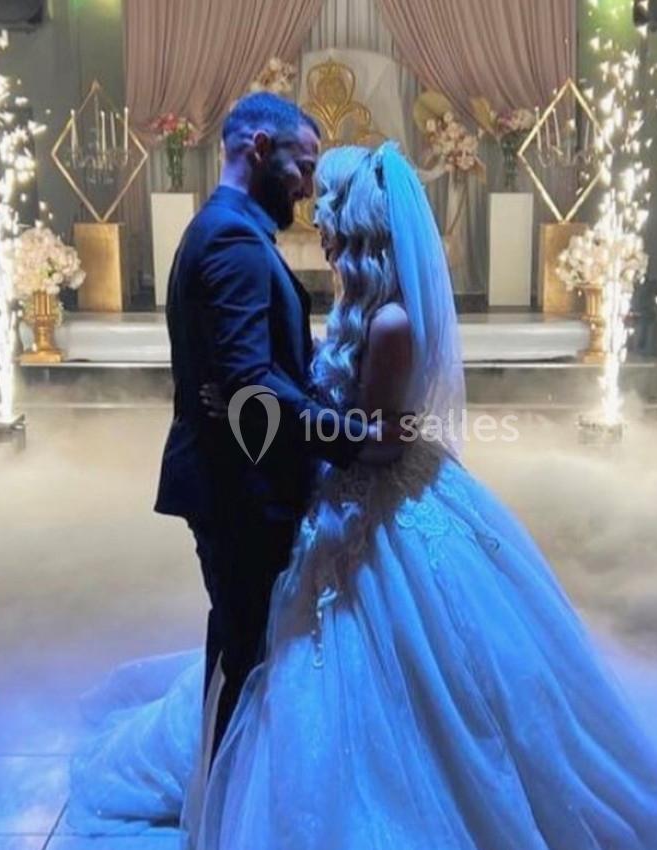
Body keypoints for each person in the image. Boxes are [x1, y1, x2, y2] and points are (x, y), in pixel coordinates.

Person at [73, 143, 657, 849]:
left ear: (352, 216)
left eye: (326, 204)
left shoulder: (391, 321)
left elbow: (386, 442)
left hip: (379, 503)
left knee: (406, 676)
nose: (316, 216)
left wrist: (281, 423)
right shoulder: (358, 301)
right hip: (342, 492)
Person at [153, 92, 396, 763]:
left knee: (240, 645)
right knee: (252, 657)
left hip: (237, 479)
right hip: (242, 489)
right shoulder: (232, 239)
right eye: (303, 163)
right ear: (259, 147)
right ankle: (230, 808)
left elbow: (247, 378)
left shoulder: (227, 227)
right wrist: (351, 439)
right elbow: (251, 389)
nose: (308, 185)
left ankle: (218, 798)